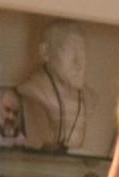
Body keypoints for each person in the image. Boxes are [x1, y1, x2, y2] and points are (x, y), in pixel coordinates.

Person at [18, 20, 97, 150]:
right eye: (69, 50)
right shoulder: (32, 90)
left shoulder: (89, 97)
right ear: (45, 52)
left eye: (82, 50)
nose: (79, 62)